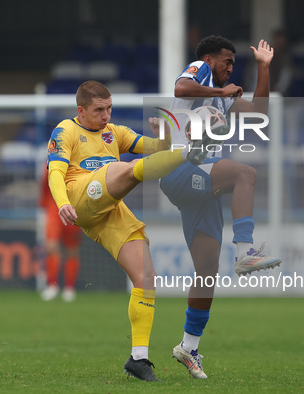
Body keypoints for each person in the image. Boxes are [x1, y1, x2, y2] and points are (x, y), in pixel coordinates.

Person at [47, 80, 211, 382]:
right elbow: (55, 172)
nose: (106, 115)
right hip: (81, 196)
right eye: (99, 110)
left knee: (146, 276)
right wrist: (61, 203)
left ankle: (138, 358)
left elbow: (154, 149)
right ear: (81, 111)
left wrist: (163, 135)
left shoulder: (116, 132)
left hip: (108, 209)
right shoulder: (65, 131)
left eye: (109, 108)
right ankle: (190, 152)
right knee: (123, 169)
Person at [159, 35, 282, 379]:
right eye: (227, 61)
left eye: (233, 62)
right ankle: (245, 251)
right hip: (180, 169)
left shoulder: (223, 98)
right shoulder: (200, 70)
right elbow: (182, 89)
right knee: (245, 172)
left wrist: (263, 68)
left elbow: (260, 114)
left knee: (207, 271)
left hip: (202, 183)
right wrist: (219, 92)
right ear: (210, 59)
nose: (230, 67)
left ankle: (189, 347)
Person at [38, 166, 82, 302]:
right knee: (51, 247)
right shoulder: (50, 165)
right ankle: (52, 286)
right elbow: (45, 187)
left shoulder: (79, 165)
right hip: (53, 210)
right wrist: (43, 208)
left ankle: (69, 288)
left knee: (72, 250)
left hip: (73, 208)